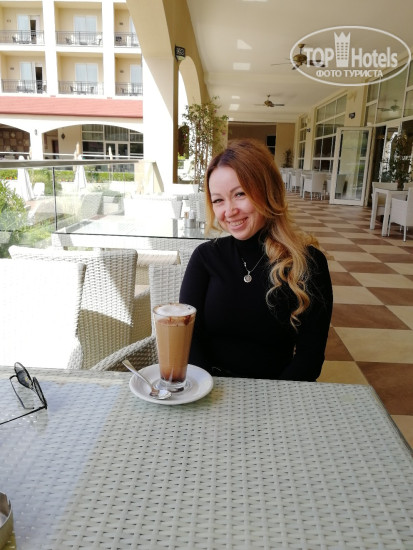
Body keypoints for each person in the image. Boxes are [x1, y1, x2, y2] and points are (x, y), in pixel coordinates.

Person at [179, 138, 333, 381]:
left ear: (268, 191)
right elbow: (188, 337)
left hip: (277, 391)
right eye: (218, 200)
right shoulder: (206, 257)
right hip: (209, 387)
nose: (229, 211)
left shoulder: (308, 263)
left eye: (240, 194)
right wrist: (207, 388)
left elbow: (310, 357)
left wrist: (273, 399)